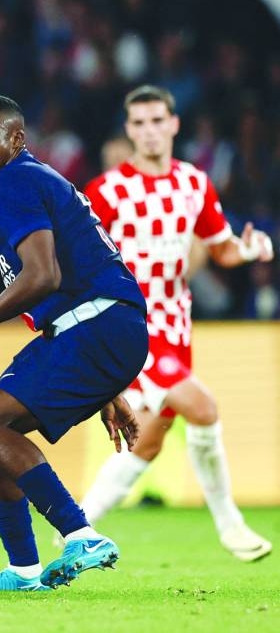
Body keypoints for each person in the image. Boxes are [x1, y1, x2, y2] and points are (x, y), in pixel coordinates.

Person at [0, 95, 148, 592]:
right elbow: (68, 276)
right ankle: (25, 571)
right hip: (98, 327)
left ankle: (82, 535)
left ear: (17, 139)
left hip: (95, 326)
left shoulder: (14, 182)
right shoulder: (34, 179)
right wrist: (108, 388)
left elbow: (43, 275)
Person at [77, 85, 274, 562]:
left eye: (156, 121)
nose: (149, 131)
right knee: (203, 408)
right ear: (129, 130)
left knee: (146, 441)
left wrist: (251, 249)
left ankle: (75, 529)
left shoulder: (194, 183)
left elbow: (221, 247)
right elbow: (77, 258)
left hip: (177, 327)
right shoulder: (106, 191)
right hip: (132, 329)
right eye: (139, 123)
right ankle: (231, 527)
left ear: (173, 125)